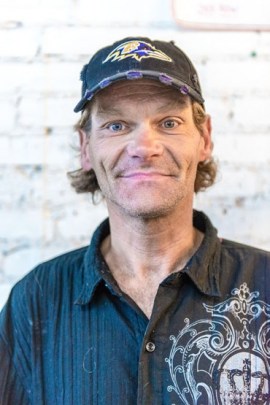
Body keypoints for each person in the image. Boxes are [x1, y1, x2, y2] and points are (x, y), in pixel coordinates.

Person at [0, 37, 270, 405]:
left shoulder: (265, 285)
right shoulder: (35, 303)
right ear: (86, 148)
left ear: (204, 138)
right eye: (116, 125)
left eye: (169, 122)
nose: (145, 147)